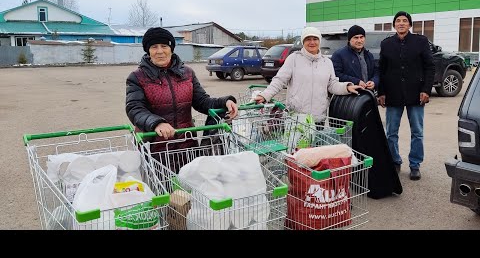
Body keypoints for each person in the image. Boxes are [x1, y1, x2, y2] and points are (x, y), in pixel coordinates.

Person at [125, 27, 238, 173]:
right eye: (154, 47)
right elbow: (135, 108)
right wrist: (156, 123)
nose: (159, 51)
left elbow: (202, 101)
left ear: (171, 48)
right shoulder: (137, 77)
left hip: (186, 146)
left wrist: (224, 102)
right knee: (162, 191)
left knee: (189, 190)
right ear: (148, 50)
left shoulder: (187, 73)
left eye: (164, 46)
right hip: (155, 148)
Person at [254, 26, 362, 125]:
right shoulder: (294, 59)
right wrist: (265, 95)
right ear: (303, 41)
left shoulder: (327, 62)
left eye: (315, 39)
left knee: (317, 146)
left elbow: (332, 85)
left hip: (318, 118)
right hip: (296, 117)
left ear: (319, 41)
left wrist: (346, 87)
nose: (312, 42)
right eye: (308, 39)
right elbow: (279, 80)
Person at [377, 11, 435, 181]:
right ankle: (394, 161)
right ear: (394, 25)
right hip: (393, 95)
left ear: (410, 25)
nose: (401, 23)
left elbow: (430, 67)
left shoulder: (420, 41)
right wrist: (381, 92)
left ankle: (415, 165)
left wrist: (426, 89)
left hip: (416, 95)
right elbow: (382, 69)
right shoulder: (386, 44)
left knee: (417, 131)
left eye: (405, 21)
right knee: (391, 132)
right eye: (398, 21)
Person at [331, 25, 379, 91]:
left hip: (367, 95)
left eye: (361, 37)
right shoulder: (339, 55)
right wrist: (356, 81)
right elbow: (336, 75)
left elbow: (376, 72)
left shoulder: (369, 55)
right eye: (356, 38)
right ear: (349, 40)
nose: (359, 41)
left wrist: (374, 82)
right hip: (349, 97)